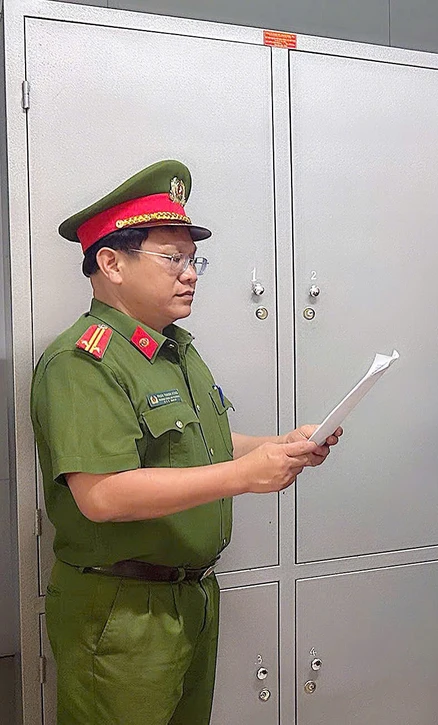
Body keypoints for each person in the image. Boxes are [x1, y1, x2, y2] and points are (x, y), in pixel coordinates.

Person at [31, 160, 342, 725]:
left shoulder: (173, 349)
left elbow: (202, 443)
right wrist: (244, 477)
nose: (190, 274)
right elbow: (101, 495)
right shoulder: (83, 362)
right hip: (122, 614)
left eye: (193, 259)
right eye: (172, 258)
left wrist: (279, 445)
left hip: (191, 599)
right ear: (111, 263)